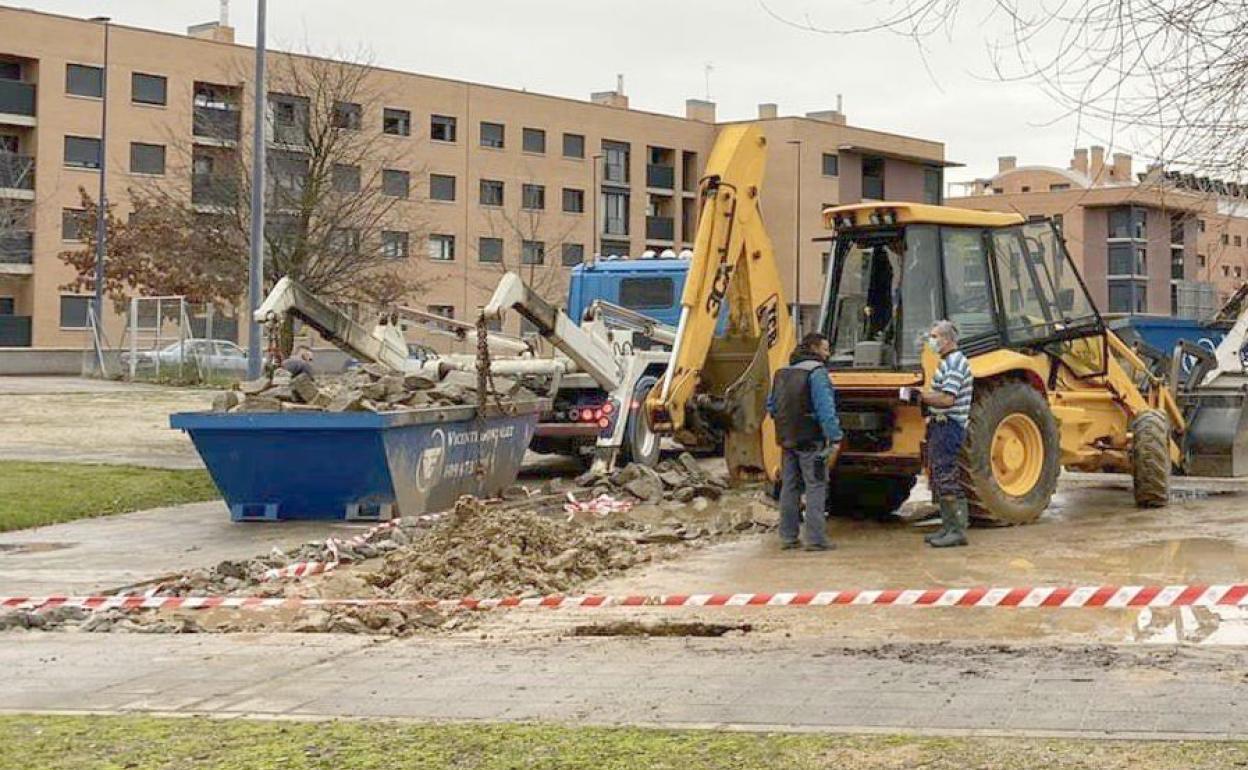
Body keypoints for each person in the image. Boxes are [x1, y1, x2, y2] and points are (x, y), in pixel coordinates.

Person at [767, 332, 844, 551]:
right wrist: (836, 437)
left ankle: (788, 537)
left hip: (787, 440)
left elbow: (771, 407)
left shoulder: (782, 373)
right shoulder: (817, 373)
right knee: (816, 487)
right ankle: (816, 539)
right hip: (811, 440)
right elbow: (825, 410)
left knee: (789, 488)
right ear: (814, 348)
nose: (828, 354)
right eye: (825, 349)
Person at [906, 320, 973, 548]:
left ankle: (956, 530)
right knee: (940, 474)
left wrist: (921, 397)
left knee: (946, 475)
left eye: (934, 336)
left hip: (949, 425)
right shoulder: (947, 363)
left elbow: (947, 399)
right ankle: (948, 527)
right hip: (941, 425)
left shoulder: (955, 363)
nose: (931, 341)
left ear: (947, 339)